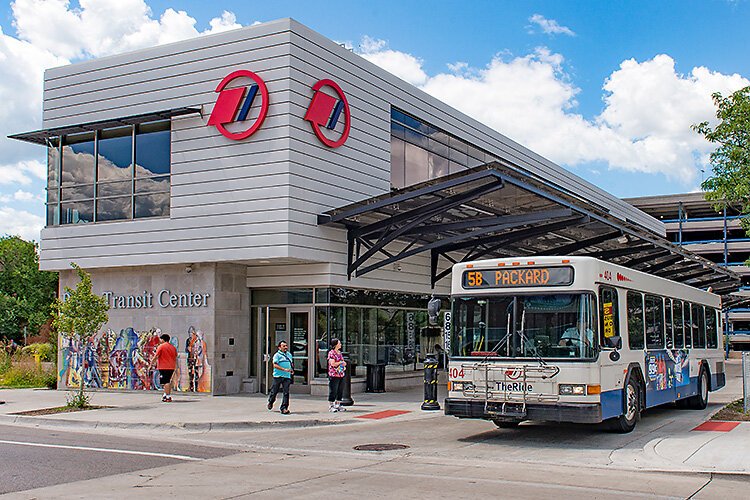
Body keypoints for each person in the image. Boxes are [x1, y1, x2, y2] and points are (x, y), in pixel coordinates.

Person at [148, 333, 177, 402]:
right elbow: (175, 356)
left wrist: (150, 365)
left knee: (165, 382)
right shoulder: (173, 347)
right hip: (171, 367)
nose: (160, 340)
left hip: (164, 367)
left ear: (163, 339)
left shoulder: (161, 346)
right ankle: (165, 394)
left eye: (160, 339)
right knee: (168, 381)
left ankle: (168, 396)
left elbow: (156, 356)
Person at [267, 340, 293, 414]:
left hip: (287, 376)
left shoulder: (289, 355)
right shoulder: (277, 355)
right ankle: (271, 401)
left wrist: (291, 370)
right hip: (278, 376)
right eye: (283, 346)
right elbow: (275, 365)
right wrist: (284, 369)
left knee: (286, 392)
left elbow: (290, 363)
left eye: (286, 346)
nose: (285, 347)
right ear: (279, 347)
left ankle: (284, 408)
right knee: (274, 391)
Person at [327, 338, 347, 412]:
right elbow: (332, 363)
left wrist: (343, 364)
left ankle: (338, 404)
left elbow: (344, 362)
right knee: (333, 390)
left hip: (341, 374)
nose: (340, 344)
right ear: (335, 345)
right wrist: (340, 362)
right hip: (334, 374)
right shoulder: (331, 353)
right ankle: (331, 405)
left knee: (340, 390)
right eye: (339, 343)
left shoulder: (340, 353)